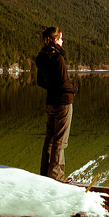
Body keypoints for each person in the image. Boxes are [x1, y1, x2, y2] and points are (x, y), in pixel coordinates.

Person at [35, 26, 77, 181]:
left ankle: (45, 171)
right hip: (63, 102)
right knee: (60, 140)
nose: (62, 41)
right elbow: (64, 82)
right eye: (61, 38)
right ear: (55, 40)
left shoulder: (42, 57)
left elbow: (41, 81)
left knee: (50, 138)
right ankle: (56, 176)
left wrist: (52, 87)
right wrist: (74, 89)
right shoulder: (58, 57)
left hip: (51, 101)